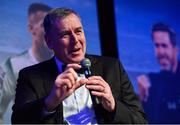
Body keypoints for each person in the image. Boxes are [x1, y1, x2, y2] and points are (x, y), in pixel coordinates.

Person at [12, 7, 147, 124]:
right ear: (49, 42)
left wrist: (113, 105)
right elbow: (18, 121)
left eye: (78, 31)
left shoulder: (112, 68)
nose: (75, 40)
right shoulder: (30, 76)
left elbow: (140, 121)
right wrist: (50, 102)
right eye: (65, 34)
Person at [0, 3, 53, 123]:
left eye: (54, 26)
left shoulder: (63, 64)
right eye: (44, 25)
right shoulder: (13, 66)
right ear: (31, 29)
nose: (51, 31)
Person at [137, 22, 180, 123]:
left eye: (164, 46)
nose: (160, 52)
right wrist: (141, 98)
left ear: (175, 50)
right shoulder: (151, 82)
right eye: (157, 46)